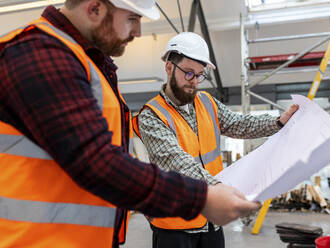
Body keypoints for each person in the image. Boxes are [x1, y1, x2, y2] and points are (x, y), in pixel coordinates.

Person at [0, 1, 262, 247]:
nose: (137, 31)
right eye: (132, 19)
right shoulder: (40, 53)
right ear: (95, 8)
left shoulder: (89, 64)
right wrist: (201, 197)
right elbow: (97, 162)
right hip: (35, 239)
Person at [133, 32, 299, 248]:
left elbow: (239, 124)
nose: (194, 82)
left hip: (210, 221)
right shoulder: (151, 115)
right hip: (174, 226)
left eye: (200, 75)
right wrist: (222, 189)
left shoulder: (206, 102)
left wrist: (278, 122)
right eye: (188, 73)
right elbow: (178, 163)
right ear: (169, 68)